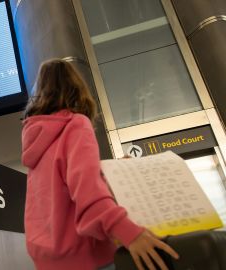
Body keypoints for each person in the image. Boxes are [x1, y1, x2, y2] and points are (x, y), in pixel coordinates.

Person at [21, 58, 179, 270]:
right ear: (76, 85)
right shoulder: (76, 123)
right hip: (88, 259)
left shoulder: (35, 141)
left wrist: (110, 171)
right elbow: (86, 191)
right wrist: (130, 234)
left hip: (47, 261)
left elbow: (60, 190)